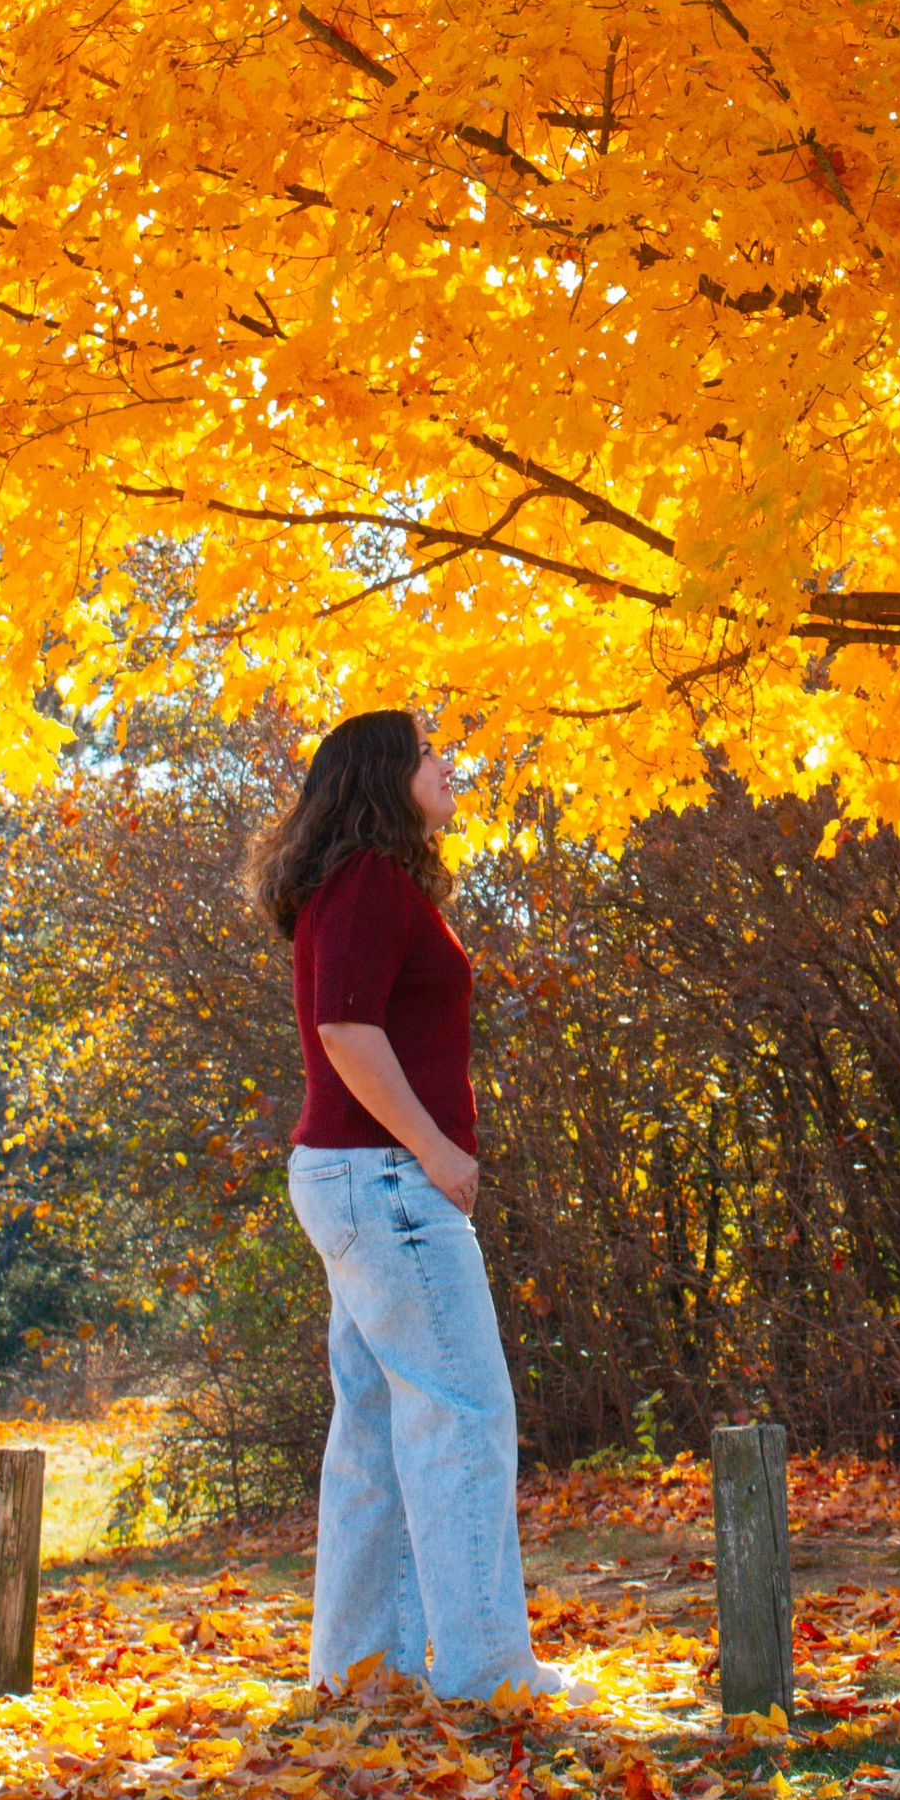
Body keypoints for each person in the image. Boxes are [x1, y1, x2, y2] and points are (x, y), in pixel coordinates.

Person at [250, 707, 587, 1705]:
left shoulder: (357, 884)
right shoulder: (368, 884)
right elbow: (346, 1029)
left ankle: (361, 1675)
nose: (449, 767)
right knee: (462, 1414)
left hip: (354, 1178)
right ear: (384, 775)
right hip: (387, 1182)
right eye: (431, 752)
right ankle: (488, 1676)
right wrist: (436, 1150)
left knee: (375, 1429)